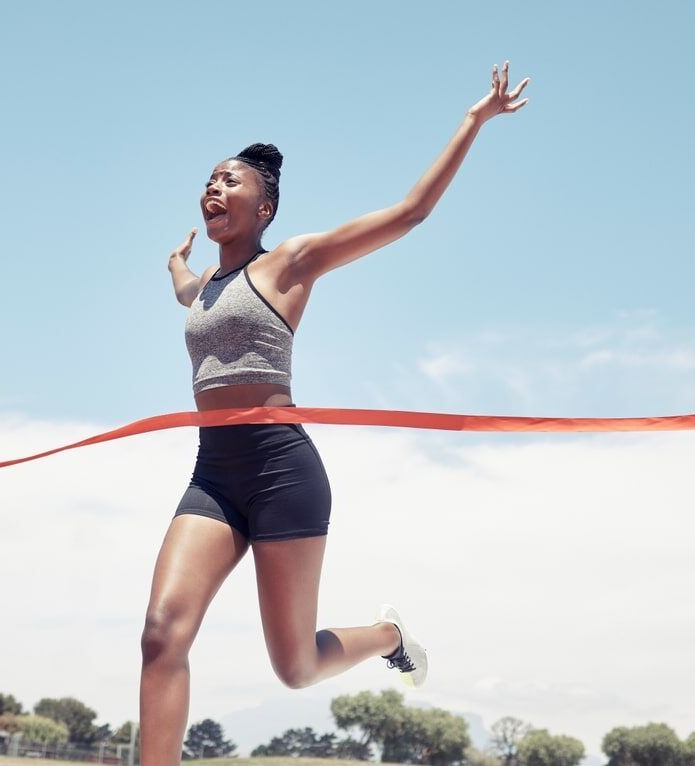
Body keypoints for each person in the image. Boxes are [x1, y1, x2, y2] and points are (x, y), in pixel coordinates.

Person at [151, 60, 530, 762]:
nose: (213, 187)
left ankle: (389, 639)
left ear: (264, 210)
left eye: (230, 180)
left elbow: (410, 213)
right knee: (161, 636)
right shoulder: (206, 284)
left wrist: (473, 121)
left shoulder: (290, 263)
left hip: (279, 472)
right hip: (212, 476)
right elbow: (186, 294)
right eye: (209, 180)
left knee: (294, 668)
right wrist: (176, 266)